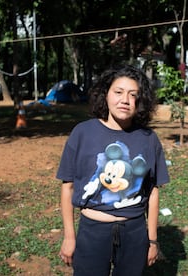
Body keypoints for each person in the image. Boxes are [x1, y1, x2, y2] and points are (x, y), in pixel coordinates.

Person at [56, 64, 170, 275]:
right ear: (105, 95)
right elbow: (68, 187)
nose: (125, 100)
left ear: (140, 101)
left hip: (134, 232)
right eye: (118, 92)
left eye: (132, 95)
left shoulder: (149, 139)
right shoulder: (82, 133)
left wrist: (152, 240)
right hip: (92, 231)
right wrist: (69, 237)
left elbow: (153, 190)